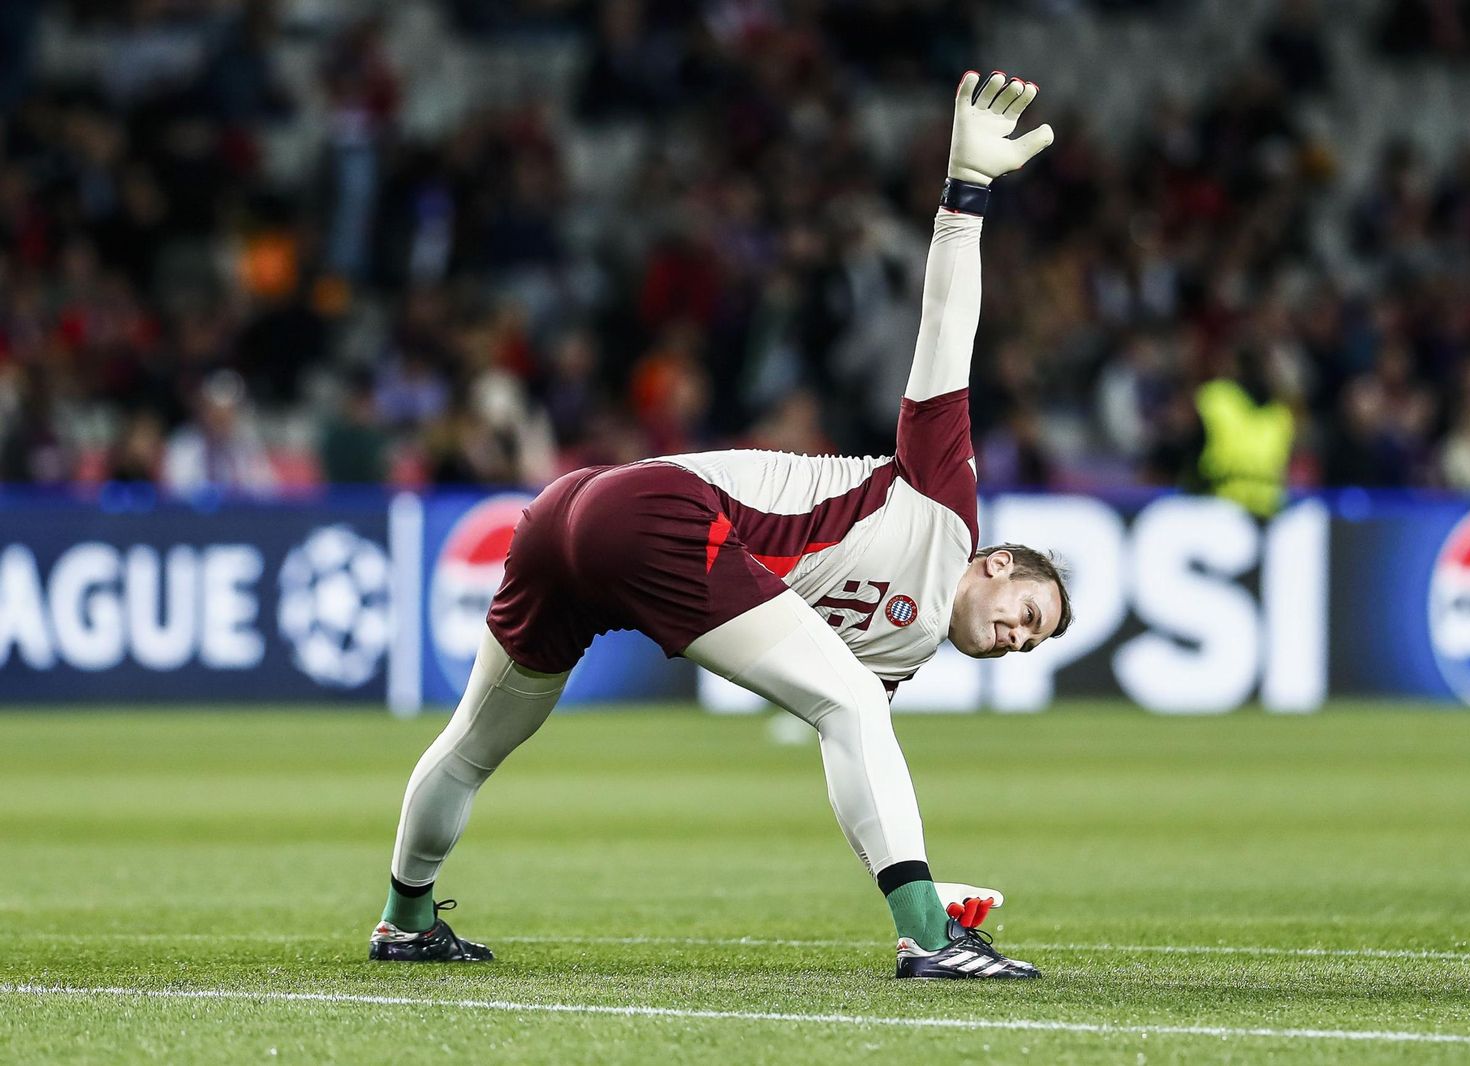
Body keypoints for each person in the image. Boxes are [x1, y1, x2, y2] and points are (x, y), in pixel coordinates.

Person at [371, 71, 1066, 979]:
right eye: (1030, 611)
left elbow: (853, 759)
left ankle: (404, 919)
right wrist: (964, 197)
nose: (1019, 638)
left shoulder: (899, 652)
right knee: (847, 704)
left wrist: (929, 879)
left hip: (573, 513)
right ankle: (930, 944)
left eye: (1031, 642)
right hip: (657, 511)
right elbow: (946, 329)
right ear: (999, 560)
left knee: (474, 746)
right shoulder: (944, 502)